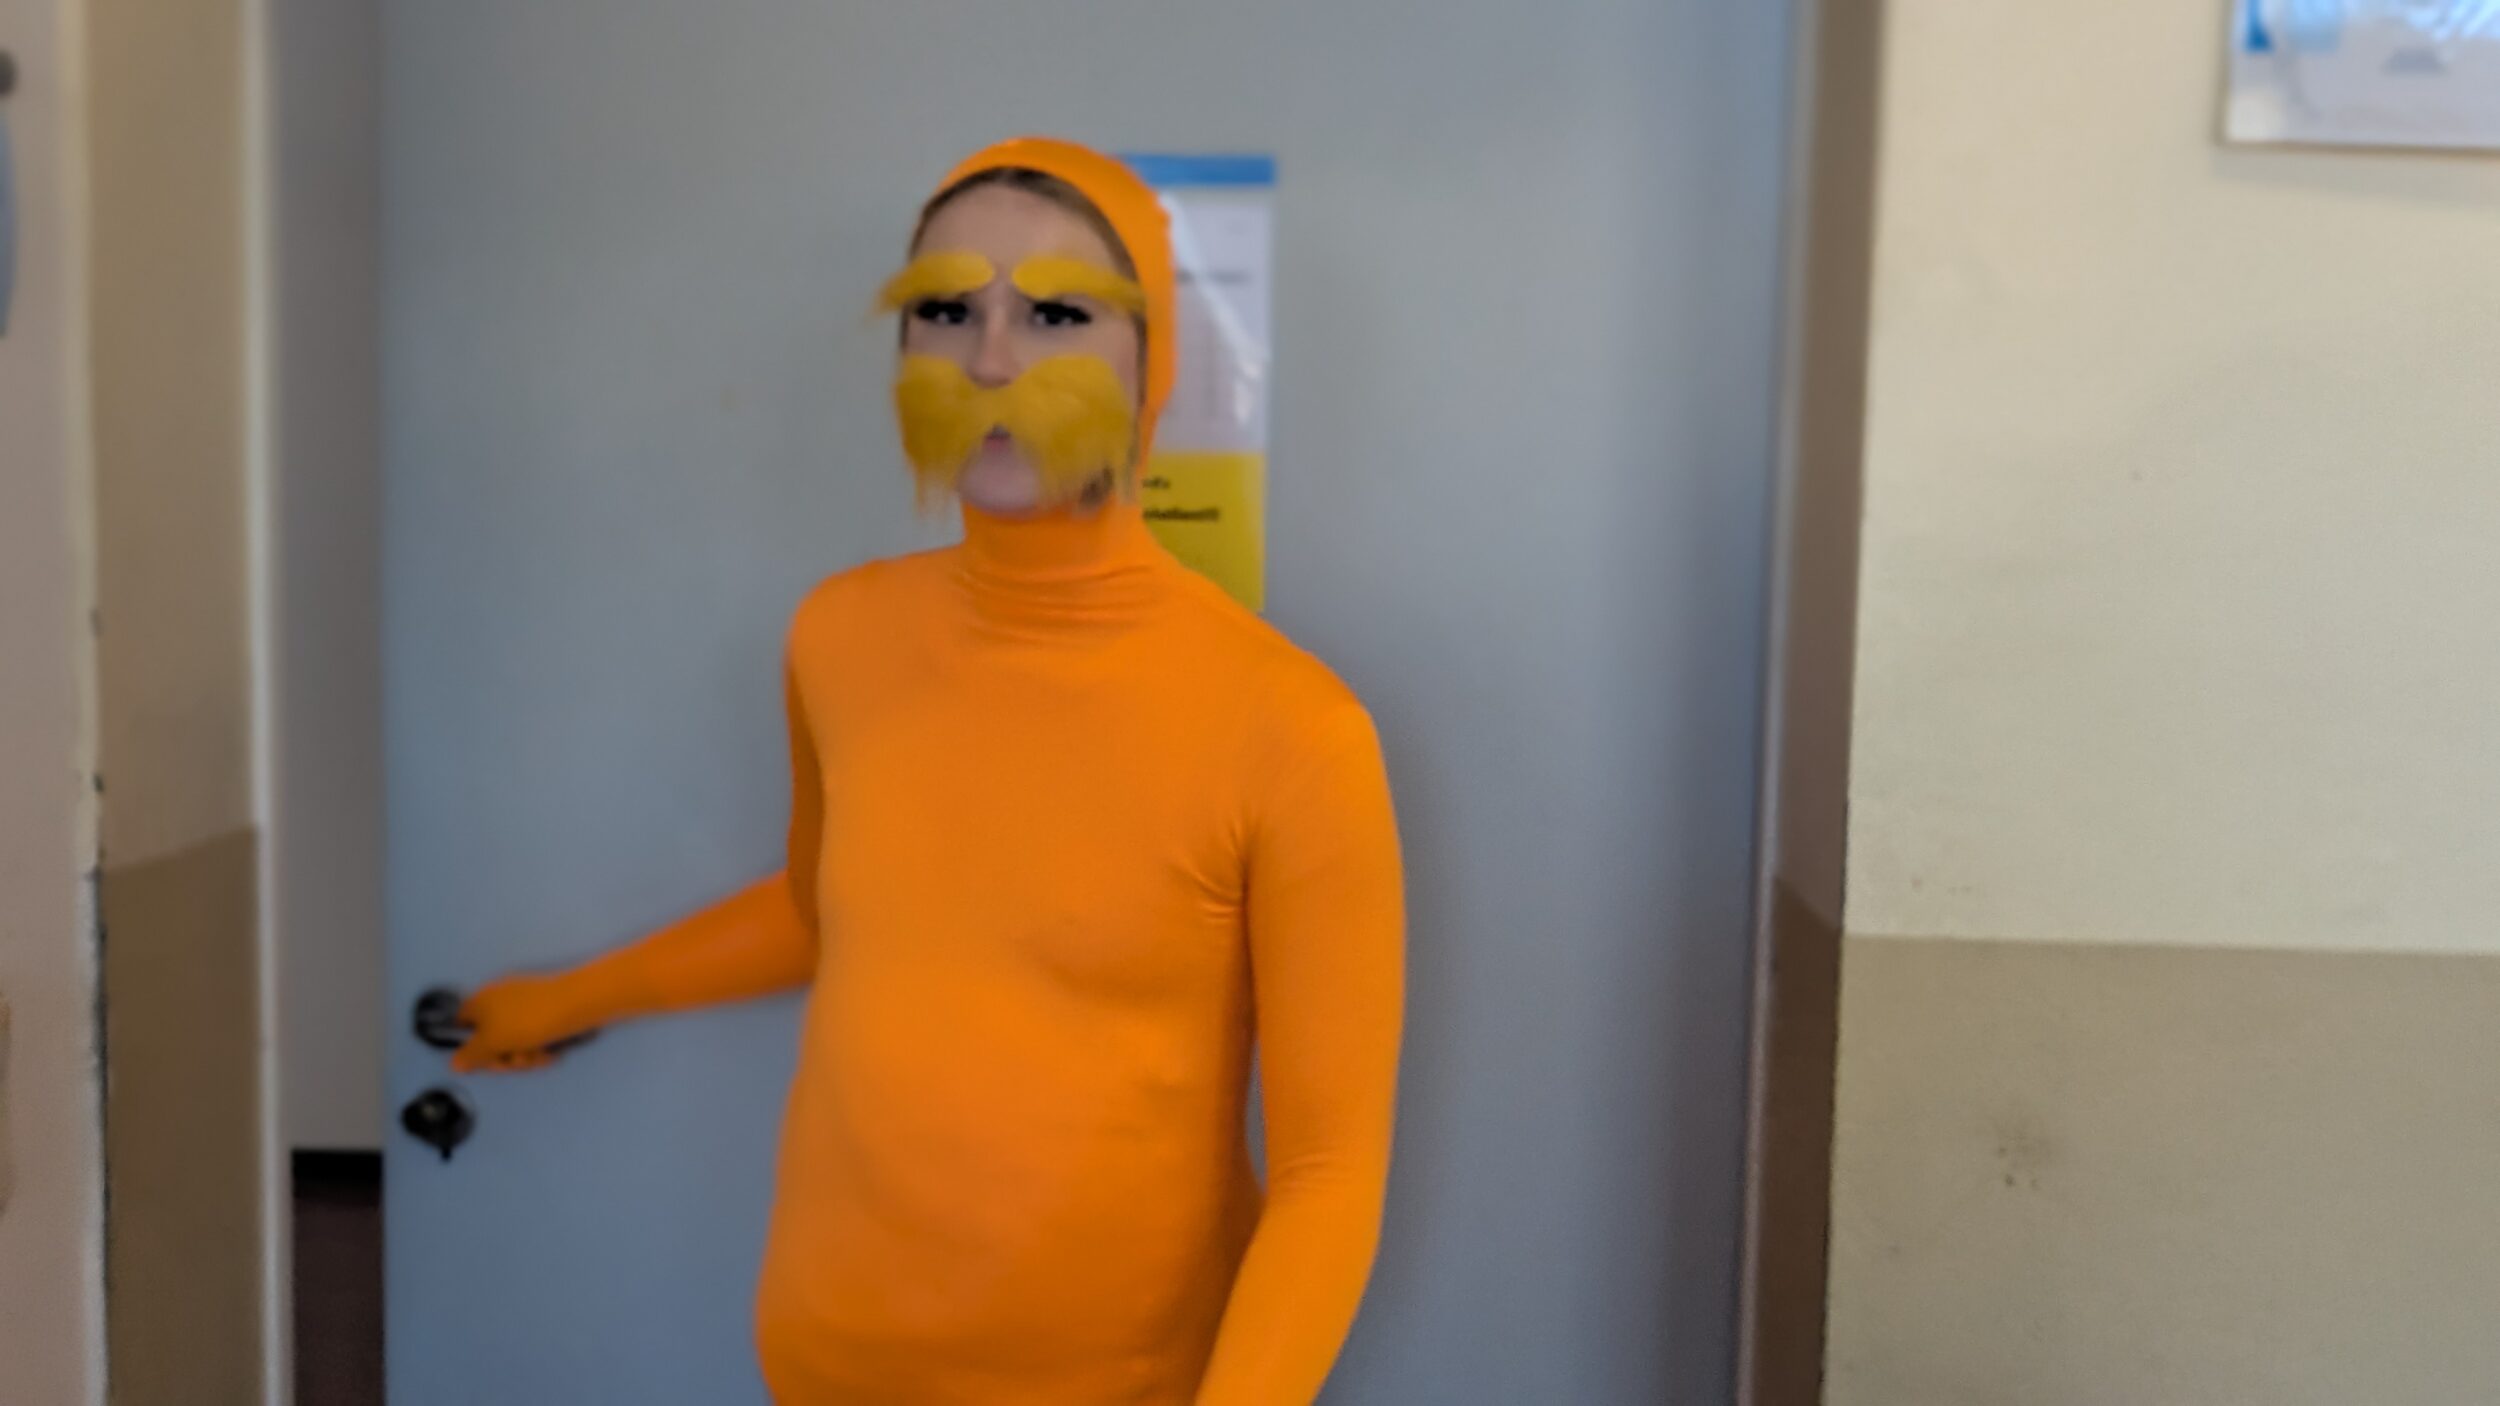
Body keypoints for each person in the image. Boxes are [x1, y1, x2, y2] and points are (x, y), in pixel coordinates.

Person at [449, 136, 1406, 1406]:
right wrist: (573, 996)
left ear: (1155, 359)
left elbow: (1330, 1178)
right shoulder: (838, 634)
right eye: (945, 312)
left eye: (1057, 314)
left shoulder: (1291, 729)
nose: (990, 359)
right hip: (822, 1356)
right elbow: (828, 913)